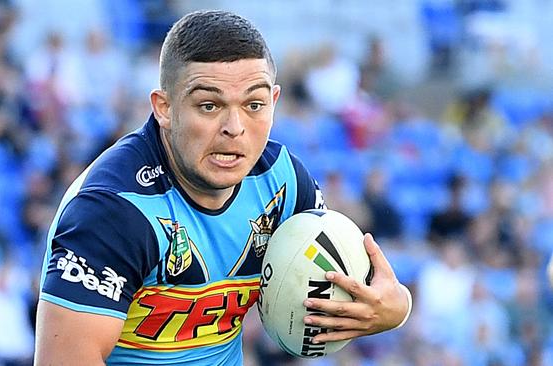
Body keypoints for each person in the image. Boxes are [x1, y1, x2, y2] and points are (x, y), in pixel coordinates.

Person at [35, 10, 412, 365]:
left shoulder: (282, 181)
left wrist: (393, 308)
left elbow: (342, 292)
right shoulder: (115, 209)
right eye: (210, 106)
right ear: (164, 108)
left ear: (274, 102)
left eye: (254, 104)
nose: (235, 127)